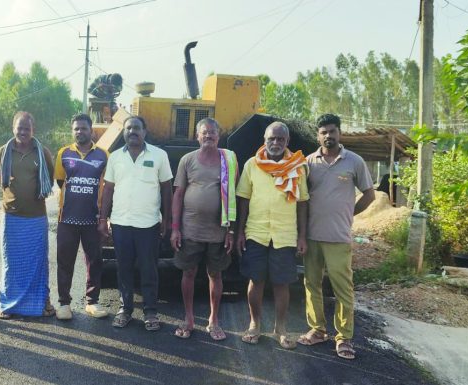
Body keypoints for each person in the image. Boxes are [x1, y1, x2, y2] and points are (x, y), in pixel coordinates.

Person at [298, 113, 375, 360]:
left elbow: (369, 195)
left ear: (339, 133)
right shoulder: (309, 162)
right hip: (312, 236)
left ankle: (344, 337)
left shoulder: (354, 161)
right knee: (312, 284)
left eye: (332, 131)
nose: (328, 136)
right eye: (323, 132)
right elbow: (302, 198)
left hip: (339, 237)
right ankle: (318, 330)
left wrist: (349, 213)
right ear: (318, 135)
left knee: (343, 288)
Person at [235, 121, 309, 349]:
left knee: (281, 283)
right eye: (271, 139)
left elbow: (303, 202)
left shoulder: (297, 167)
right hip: (256, 232)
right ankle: (254, 325)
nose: (275, 143)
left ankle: (281, 329)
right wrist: (239, 232)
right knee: (255, 281)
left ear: (287, 142)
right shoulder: (252, 165)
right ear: (264, 140)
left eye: (280, 139)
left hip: (285, 234)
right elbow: (243, 199)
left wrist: (302, 236)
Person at [98, 115, 172, 331]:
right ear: (124, 132)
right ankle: (125, 309)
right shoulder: (114, 158)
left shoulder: (159, 155)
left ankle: (150, 311)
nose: (133, 131)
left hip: (148, 224)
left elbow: (167, 188)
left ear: (144, 131)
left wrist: (167, 218)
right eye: (129, 128)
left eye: (137, 128)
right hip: (121, 223)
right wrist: (103, 218)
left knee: (149, 269)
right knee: (124, 268)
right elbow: (108, 188)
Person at [169, 118, 237, 341]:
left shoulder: (229, 159)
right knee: (188, 273)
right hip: (190, 231)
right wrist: (175, 228)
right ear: (197, 137)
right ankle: (188, 319)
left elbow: (234, 196)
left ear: (219, 135)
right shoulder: (187, 160)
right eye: (204, 133)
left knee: (215, 274)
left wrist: (231, 231)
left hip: (219, 231)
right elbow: (178, 194)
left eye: (212, 132)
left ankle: (213, 320)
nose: (208, 136)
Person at [0, 111, 56, 319]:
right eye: (19, 128)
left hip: (36, 217)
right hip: (12, 216)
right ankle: (8, 304)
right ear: (13, 128)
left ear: (33, 130)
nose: (23, 132)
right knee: (11, 262)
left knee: (39, 261)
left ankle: (43, 301)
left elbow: (50, 175)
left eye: (27, 128)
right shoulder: (4, 151)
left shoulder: (42, 152)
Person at [53, 113, 110, 320]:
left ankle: (92, 302)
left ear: (91, 130)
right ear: (72, 131)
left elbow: (107, 186)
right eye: (76, 128)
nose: (80, 132)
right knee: (64, 261)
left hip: (92, 219)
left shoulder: (103, 155)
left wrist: (104, 216)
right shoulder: (63, 153)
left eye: (83, 128)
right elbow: (61, 181)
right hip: (67, 219)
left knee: (94, 261)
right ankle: (64, 304)